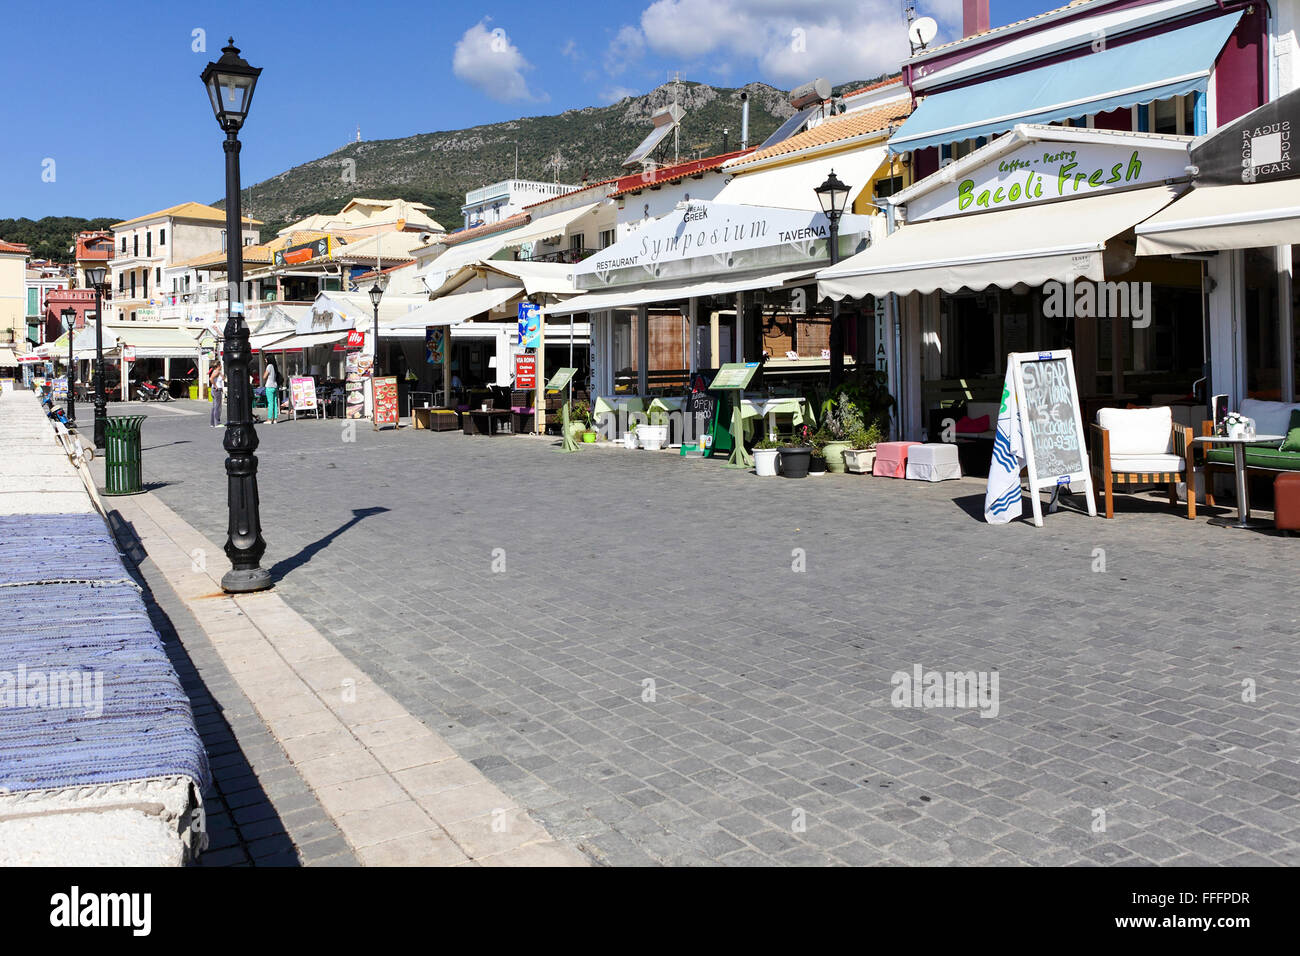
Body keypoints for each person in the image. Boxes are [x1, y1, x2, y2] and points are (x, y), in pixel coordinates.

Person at [263, 358, 280, 424]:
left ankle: (269, 419)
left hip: (269, 386)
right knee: (275, 403)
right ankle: (275, 419)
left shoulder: (269, 366)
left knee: (270, 403)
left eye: (266, 359)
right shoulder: (275, 366)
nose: (265, 360)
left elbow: (264, 376)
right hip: (275, 386)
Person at [209, 363, 224, 427]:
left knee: (215, 407)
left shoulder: (217, 372)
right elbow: (211, 379)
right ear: (218, 366)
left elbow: (223, 378)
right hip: (216, 390)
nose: (221, 366)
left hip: (215, 390)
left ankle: (212, 423)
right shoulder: (216, 372)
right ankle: (217, 423)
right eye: (220, 365)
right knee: (218, 407)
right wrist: (216, 386)